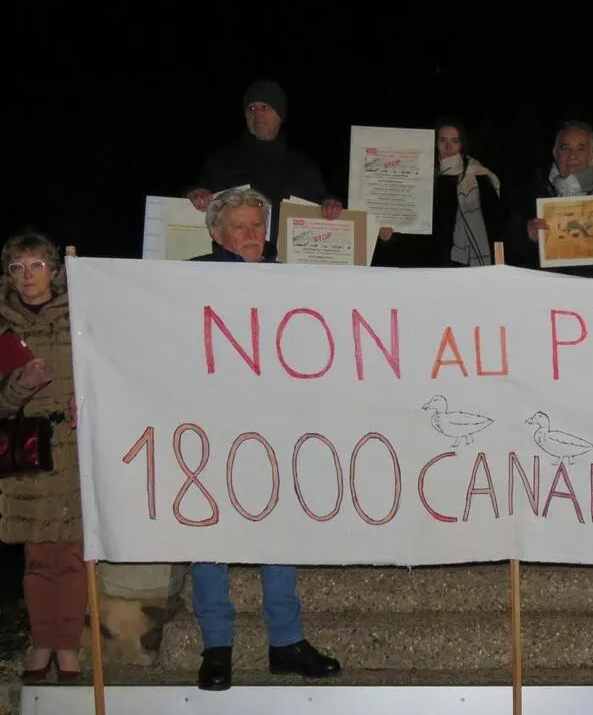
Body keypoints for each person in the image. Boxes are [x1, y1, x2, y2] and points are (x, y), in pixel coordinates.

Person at [187, 189, 341, 690]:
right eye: (240, 227)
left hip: (275, 424)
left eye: (258, 225)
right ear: (216, 234)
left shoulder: (289, 281)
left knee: (278, 526)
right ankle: (217, 646)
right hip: (210, 426)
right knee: (208, 532)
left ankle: (285, 641)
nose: (253, 234)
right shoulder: (182, 282)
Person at [0, 229, 84, 682]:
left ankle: (67, 648)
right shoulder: (4, 326)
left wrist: (88, 402)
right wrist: (22, 383)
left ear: (53, 270)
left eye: (36, 265)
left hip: (73, 448)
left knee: (70, 556)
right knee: (37, 559)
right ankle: (41, 643)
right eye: (18, 267)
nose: (27, 275)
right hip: (28, 452)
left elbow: (105, 374)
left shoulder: (81, 314)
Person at [186, 79, 344, 257]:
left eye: (265, 108)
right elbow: (197, 200)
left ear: (280, 116)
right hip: (232, 265)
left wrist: (330, 204)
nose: (258, 114)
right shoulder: (222, 159)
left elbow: (320, 204)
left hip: (289, 265)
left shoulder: (303, 164)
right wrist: (195, 194)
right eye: (252, 109)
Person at [505, 119, 593, 278]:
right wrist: (526, 235)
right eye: (565, 148)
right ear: (555, 153)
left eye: (580, 148)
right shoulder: (529, 195)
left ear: (591, 153)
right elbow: (507, 250)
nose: (572, 156)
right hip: (547, 287)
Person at [373, 118, 505, 267]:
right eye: (442, 140)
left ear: (462, 143)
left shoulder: (479, 177)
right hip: (422, 262)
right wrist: (389, 236)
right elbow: (406, 221)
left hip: (461, 265)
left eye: (455, 141)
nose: (448, 147)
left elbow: (495, 226)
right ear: (434, 142)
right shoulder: (417, 174)